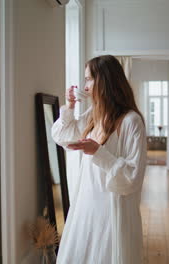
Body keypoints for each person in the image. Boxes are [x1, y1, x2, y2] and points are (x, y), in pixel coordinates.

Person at [52, 55, 147, 263]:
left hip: (112, 211)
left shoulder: (132, 121)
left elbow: (133, 177)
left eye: (89, 79)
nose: (85, 87)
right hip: (86, 204)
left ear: (104, 81)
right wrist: (69, 106)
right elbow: (61, 136)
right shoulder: (94, 115)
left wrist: (98, 151)